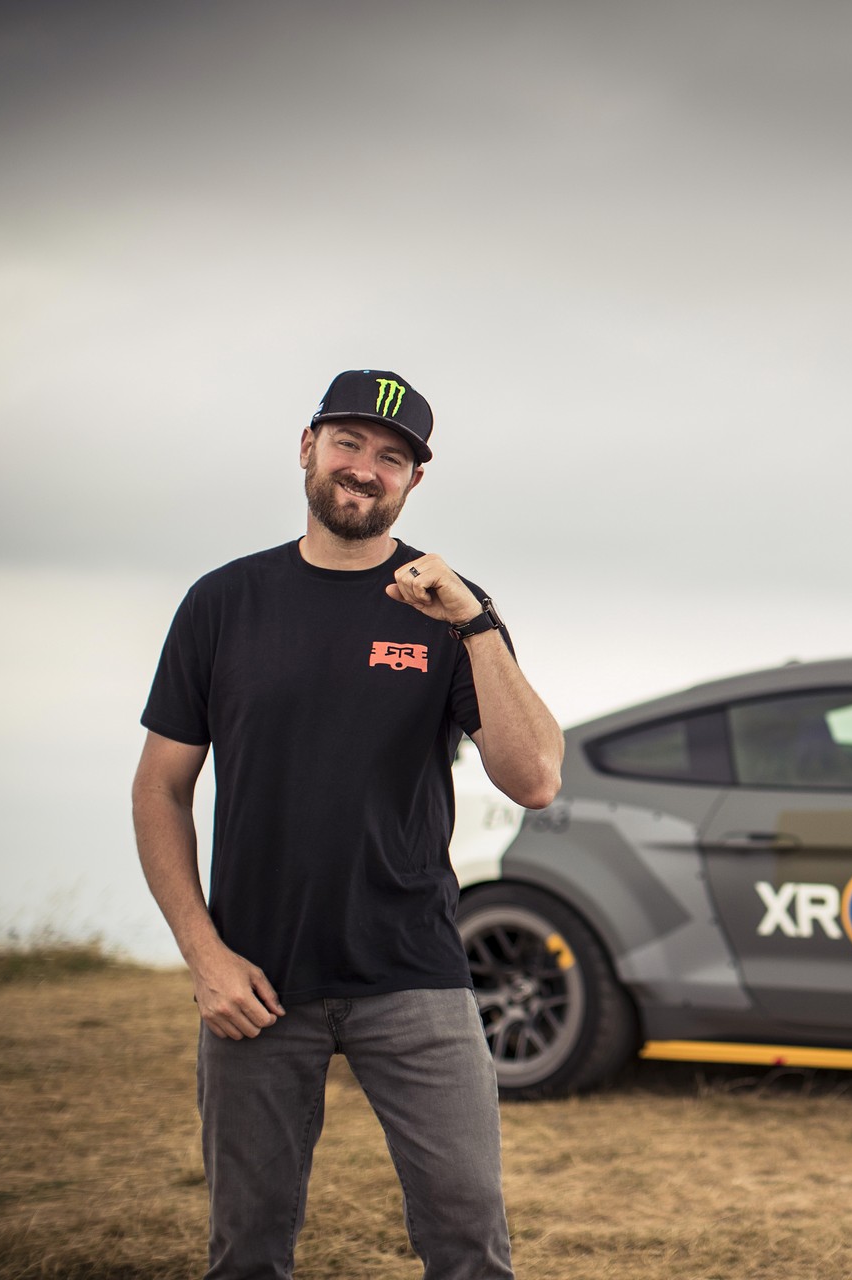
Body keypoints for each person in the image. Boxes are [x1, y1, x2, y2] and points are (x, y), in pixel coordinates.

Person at [131, 369, 562, 1280]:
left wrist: (476, 624)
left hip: (415, 973)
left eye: (392, 457)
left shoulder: (451, 607)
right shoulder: (224, 602)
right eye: (350, 443)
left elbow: (534, 780)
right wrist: (205, 957)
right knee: (245, 1252)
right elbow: (161, 789)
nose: (366, 469)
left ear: (414, 482)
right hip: (256, 983)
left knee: (469, 1243)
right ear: (308, 447)